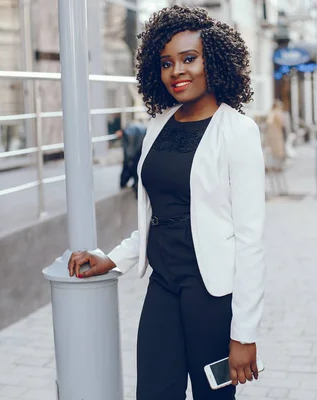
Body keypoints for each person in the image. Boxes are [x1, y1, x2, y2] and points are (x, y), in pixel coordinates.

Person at [68, 6, 265, 400]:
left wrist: (244, 334)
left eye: (189, 59)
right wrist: (115, 258)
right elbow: (162, 215)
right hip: (163, 284)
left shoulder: (238, 132)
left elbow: (250, 239)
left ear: (214, 62)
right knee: (154, 392)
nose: (177, 71)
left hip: (211, 292)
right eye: (166, 63)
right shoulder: (158, 125)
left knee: (213, 396)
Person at [117, 118, 147, 192]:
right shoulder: (134, 131)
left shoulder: (128, 133)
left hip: (134, 155)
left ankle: (128, 184)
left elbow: (129, 150)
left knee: (131, 167)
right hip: (138, 153)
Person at [265, 100, 287, 172]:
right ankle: (277, 167)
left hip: (270, 135)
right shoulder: (277, 113)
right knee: (278, 151)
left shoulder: (271, 113)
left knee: (271, 151)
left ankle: (271, 166)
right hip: (277, 135)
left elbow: (268, 123)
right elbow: (281, 123)